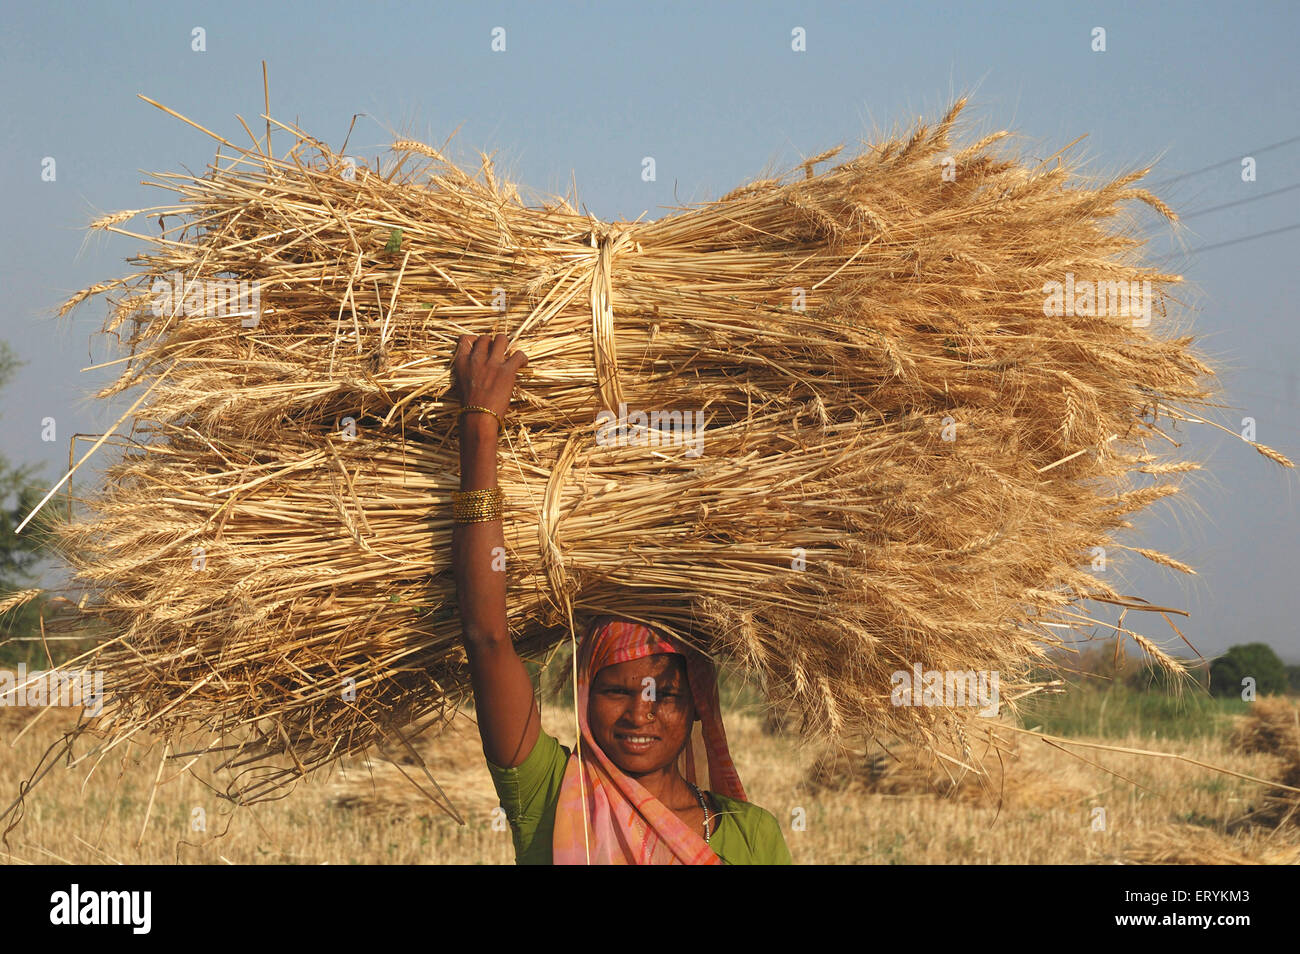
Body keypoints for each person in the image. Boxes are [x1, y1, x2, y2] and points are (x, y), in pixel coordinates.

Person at [449, 332, 792, 865]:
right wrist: (479, 426)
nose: (641, 715)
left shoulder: (749, 835)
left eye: (666, 695)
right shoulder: (549, 794)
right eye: (616, 691)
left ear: (699, 705)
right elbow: (487, 637)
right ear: (584, 695)